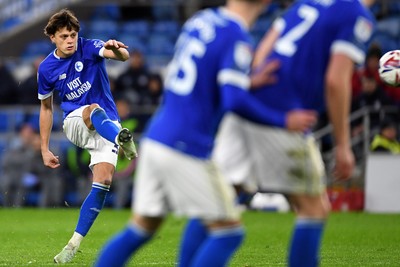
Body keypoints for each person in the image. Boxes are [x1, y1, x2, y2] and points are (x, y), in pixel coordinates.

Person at [94, 0, 318, 266]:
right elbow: (234, 100)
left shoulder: (201, 20)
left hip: (157, 137)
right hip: (185, 145)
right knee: (229, 233)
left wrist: (247, 81)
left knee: (140, 229)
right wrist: (283, 120)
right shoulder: (236, 36)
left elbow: (203, 79)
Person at [214, 0, 376, 266]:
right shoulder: (356, 14)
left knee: (218, 205)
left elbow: (265, 45)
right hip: (285, 114)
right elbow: (336, 81)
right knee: (314, 209)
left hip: (248, 104)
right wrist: (343, 144)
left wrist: (252, 80)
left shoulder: (306, 3)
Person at [37, 9, 137, 263]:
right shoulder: (46, 68)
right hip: (75, 123)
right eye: (63, 36)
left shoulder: (90, 46)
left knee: (103, 182)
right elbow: (46, 108)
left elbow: (123, 56)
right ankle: (122, 139)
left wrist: (116, 49)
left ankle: (72, 245)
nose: (70, 40)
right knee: (93, 109)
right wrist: (44, 148)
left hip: (107, 124)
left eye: (72, 34)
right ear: (52, 38)